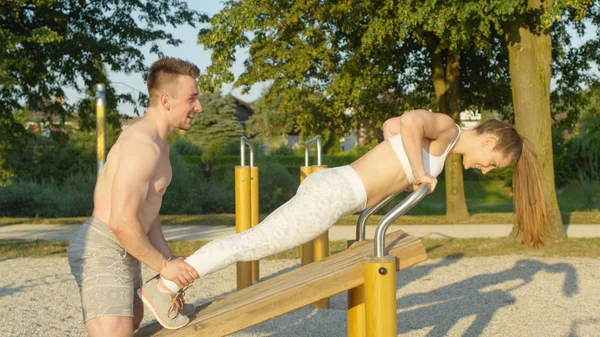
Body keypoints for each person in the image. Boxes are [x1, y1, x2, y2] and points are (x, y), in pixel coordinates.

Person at [138, 109, 551, 329]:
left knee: (253, 241)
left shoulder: (442, 145)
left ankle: (170, 284)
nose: (487, 169)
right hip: (335, 193)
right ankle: (168, 283)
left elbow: (393, 127)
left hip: (337, 191)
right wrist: (419, 171)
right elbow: (407, 121)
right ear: (492, 139)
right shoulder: (449, 130)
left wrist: (407, 173)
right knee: (251, 243)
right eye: (494, 162)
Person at [67, 56, 204, 336]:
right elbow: (120, 221)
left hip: (127, 246)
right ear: (166, 101)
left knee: (133, 325)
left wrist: (171, 262)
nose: (198, 107)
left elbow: (148, 218)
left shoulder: (160, 146)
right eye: (192, 99)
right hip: (103, 247)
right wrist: (163, 266)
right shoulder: (141, 145)